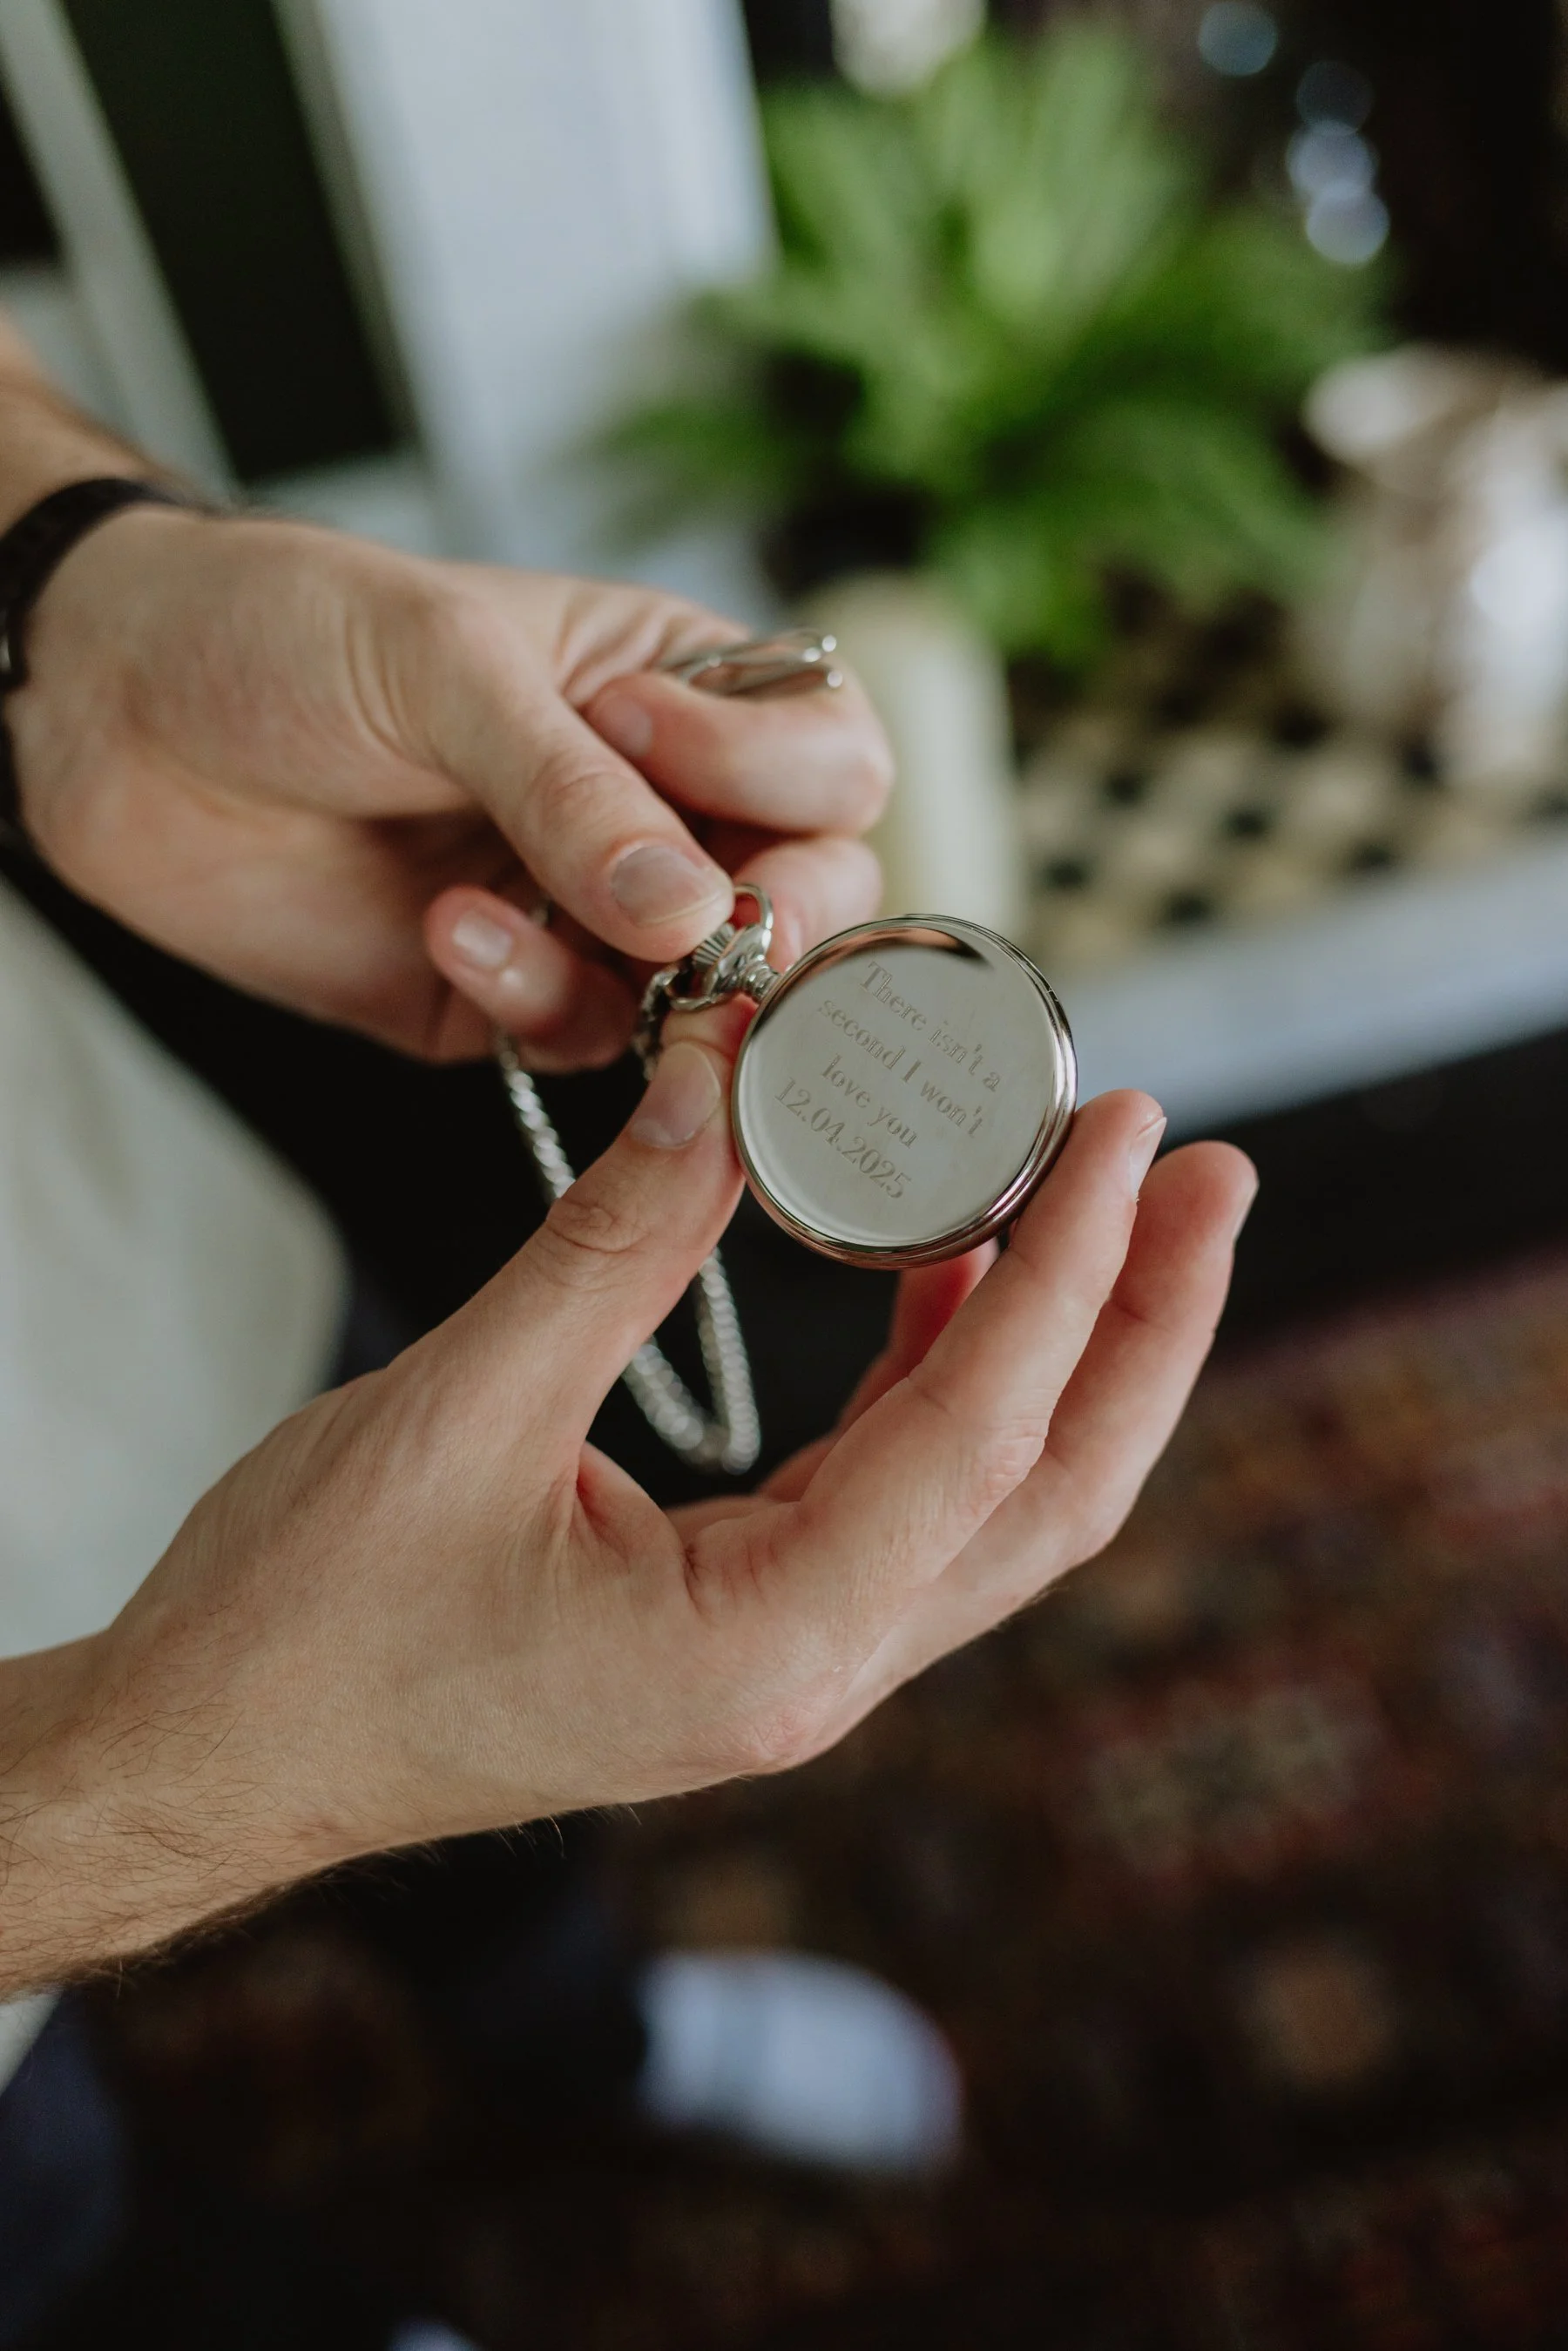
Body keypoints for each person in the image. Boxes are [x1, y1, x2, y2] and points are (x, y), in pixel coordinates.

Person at [0, 316, 1254, 2318]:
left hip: (75, 1202)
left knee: (463, 1647)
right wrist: (154, 1787)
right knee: (47, 2213)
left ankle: (584, 2035)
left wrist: (69, 575)